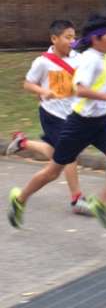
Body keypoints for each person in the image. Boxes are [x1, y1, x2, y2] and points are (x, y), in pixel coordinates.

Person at [7, 13, 106, 232]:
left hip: (100, 123)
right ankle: (20, 199)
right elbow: (80, 89)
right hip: (77, 123)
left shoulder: (103, 55)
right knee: (54, 170)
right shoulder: (87, 59)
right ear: (96, 38)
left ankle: (101, 202)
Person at [6, 19, 91, 216]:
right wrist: (43, 91)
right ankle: (77, 199)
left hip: (71, 114)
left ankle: (23, 143)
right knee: (69, 154)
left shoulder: (78, 58)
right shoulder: (42, 62)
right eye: (67, 37)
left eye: (73, 37)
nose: (72, 41)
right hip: (51, 115)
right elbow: (28, 84)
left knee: (57, 155)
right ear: (54, 39)